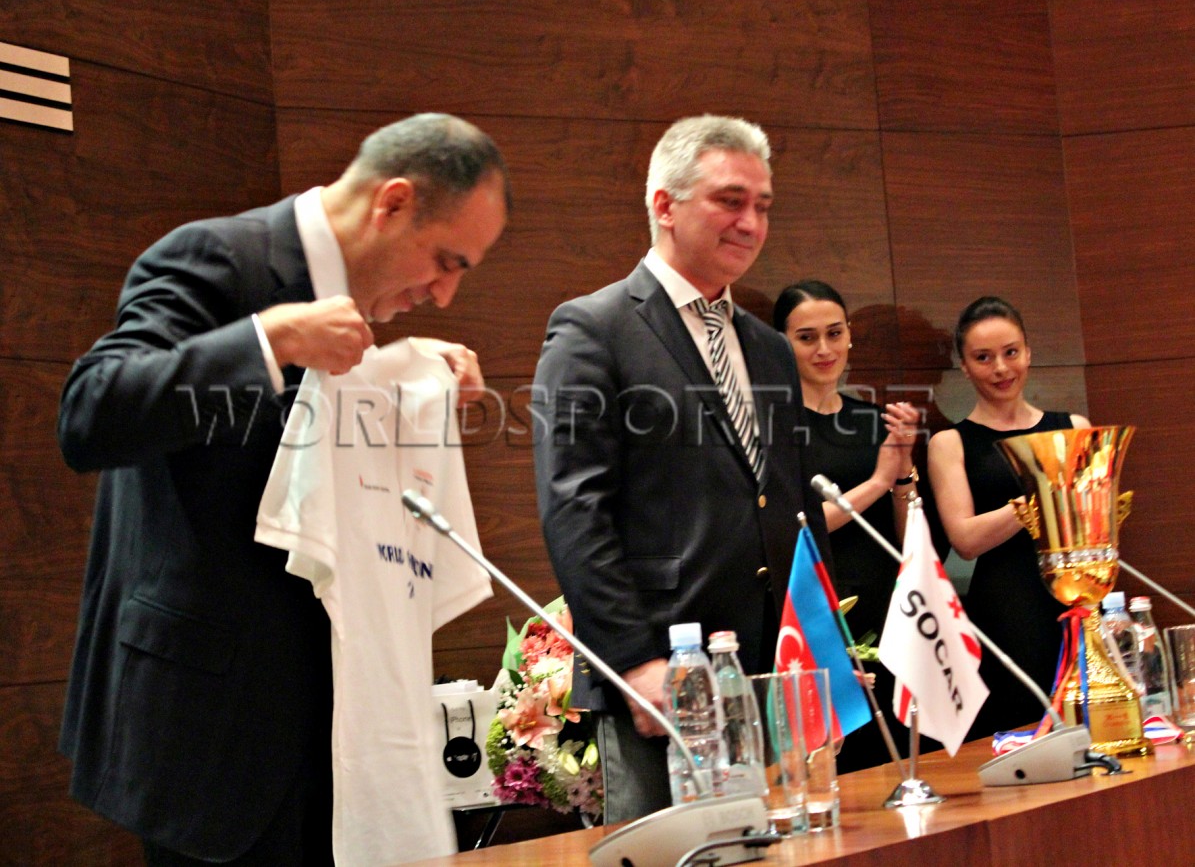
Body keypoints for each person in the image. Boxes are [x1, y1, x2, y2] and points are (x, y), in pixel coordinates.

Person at [56, 113, 510, 865]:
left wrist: (404, 379)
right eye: (444, 261)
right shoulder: (215, 258)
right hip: (209, 735)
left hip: (337, 737)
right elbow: (91, 413)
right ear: (392, 203)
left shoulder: (356, 308)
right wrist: (269, 341)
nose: (444, 294)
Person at [532, 115, 831, 822]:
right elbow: (574, 509)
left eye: (762, 206)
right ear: (664, 205)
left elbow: (793, 501)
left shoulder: (768, 348)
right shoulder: (593, 329)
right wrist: (632, 661)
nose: (751, 223)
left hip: (777, 670)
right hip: (665, 676)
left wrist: (822, 650)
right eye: (730, 201)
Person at [772, 280, 923, 772]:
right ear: (782, 344)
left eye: (834, 333)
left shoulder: (875, 422)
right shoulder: (774, 429)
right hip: (816, 615)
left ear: (850, 335)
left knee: (900, 762)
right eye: (807, 337)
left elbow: (911, 540)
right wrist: (878, 481)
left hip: (888, 614)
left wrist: (903, 473)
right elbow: (796, 528)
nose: (824, 349)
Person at [927, 295, 1090, 740]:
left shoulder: (1073, 428)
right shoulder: (950, 443)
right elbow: (964, 539)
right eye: (983, 358)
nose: (1000, 368)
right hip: (1006, 605)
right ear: (964, 366)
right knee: (1019, 732)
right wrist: (1038, 493)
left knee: (1089, 724)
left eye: (1010, 352)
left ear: (1028, 352)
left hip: (1077, 593)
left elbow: (1091, 523)